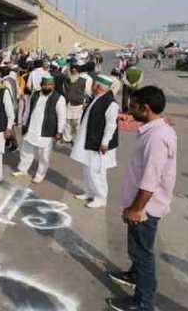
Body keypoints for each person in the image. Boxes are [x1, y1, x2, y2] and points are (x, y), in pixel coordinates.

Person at [106, 86, 177, 311]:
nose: (130, 109)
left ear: (145, 108)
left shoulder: (157, 137)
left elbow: (150, 180)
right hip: (140, 204)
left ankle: (143, 303)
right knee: (137, 250)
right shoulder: (153, 130)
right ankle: (134, 275)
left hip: (145, 208)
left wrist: (136, 209)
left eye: (133, 106)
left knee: (143, 254)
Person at [70, 75, 119, 208]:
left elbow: (111, 125)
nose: (91, 86)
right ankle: (90, 192)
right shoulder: (96, 98)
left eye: (94, 85)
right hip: (88, 140)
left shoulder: (110, 103)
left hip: (99, 143)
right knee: (87, 168)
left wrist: (105, 143)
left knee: (97, 171)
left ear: (98, 86)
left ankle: (101, 197)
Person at [12, 76, 66, 183]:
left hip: (47, 130)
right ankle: (23, 169)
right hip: (32, 128)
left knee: (43, 155)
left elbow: (62, 116)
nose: (47, 87)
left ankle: (40, 175)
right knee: (26, 150)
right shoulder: (35, 94)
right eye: (45, 85)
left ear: (53, 86)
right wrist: (24, 123)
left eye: (50, 85)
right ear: (41, 85)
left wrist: (59, 131)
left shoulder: (59, 98)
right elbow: (28, 110)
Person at [62, 64, 88, 143]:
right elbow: (64, 90)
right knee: (67, 122)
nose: (73, 71)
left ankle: (77, 139)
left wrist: (85, 102)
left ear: (77, 71)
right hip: (68, 103)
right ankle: (67, 138)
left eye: (75, 70)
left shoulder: (83, 80)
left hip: (78, 104)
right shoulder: (66, 80)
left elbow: (86, 92)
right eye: (72, 70)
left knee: (77, 123)